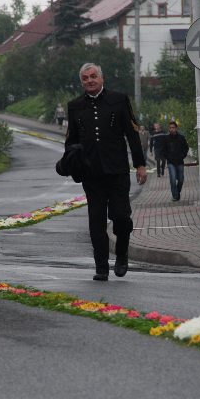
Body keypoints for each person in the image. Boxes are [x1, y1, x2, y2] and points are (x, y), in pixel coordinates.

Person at [65, 63, 147, 281]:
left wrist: (140, 164)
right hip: (91, 175)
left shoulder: (119, 100)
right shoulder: (75, 106)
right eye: (85, 78)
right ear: (81, 81)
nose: (90, 81)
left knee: (121, 217)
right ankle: (101, 266)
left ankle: (121, 252)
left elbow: (132, 134)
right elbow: (71, 140)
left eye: (93, 76)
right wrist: (71, 163)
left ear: (102, 78)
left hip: (117, 171)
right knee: (96, 221)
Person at [161, 121, 189, 201]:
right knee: (173, 179)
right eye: (170, 128)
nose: (171, 129)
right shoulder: (166, 138)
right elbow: (163, 150)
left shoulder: (181, 138)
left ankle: (177, 192)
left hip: (180, 161)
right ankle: (175, 196)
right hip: (171, 162)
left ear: (176, 128)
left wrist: (182, 156)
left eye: (173, 127)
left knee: (180, 179)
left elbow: (186, 148)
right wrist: (167, 157)